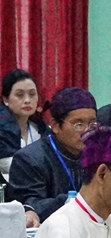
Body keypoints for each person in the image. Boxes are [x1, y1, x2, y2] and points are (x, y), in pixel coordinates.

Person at [7, 88, 96, 226]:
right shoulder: (29, 159)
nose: (87, 131)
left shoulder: (97, 155)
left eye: (92, 124)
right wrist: (78, 201)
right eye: (78, 124)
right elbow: (29, 206)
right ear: (55, 125)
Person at [0, 69, 47, 181]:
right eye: (20, 95)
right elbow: (13, 167)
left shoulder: (40, 128)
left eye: (32, 94)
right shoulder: (2, 130)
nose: (27, 100)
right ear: (5, 99)